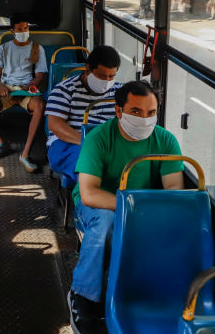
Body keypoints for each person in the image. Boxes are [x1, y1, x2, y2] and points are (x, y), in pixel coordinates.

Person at [68, 80, 184, 334]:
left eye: (151, 113)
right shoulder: (99, 139)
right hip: (100, 205)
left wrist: (152, 213)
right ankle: (83, 295)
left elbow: (174, 189)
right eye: (136, 112)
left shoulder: (165, 141)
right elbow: (89, 193)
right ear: (119, 111)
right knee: (106, 223)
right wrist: (134, 209)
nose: (144, 119)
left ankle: (155, 295)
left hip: (146, 207)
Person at [0, 14, 47, 173]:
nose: (23, 31)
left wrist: (31, 84)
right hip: (6, 90)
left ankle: (25, 154)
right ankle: (3, 143)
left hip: (25, 91)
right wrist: (0, 84)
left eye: (26, 28)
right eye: (19, 29)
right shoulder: (4, 48)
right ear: (12, 31)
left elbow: (39, 76)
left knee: (40, 105)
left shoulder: (37, 48)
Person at [46, 45, 122, 184]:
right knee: (90, 167)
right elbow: (55, 125)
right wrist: (89, 142)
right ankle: (92, 201)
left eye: (111, 76)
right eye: (101, 76)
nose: (106, 81)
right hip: (69, 143)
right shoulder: (65, 89)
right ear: (88, 70)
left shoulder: (121, 92)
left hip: (107, 143)